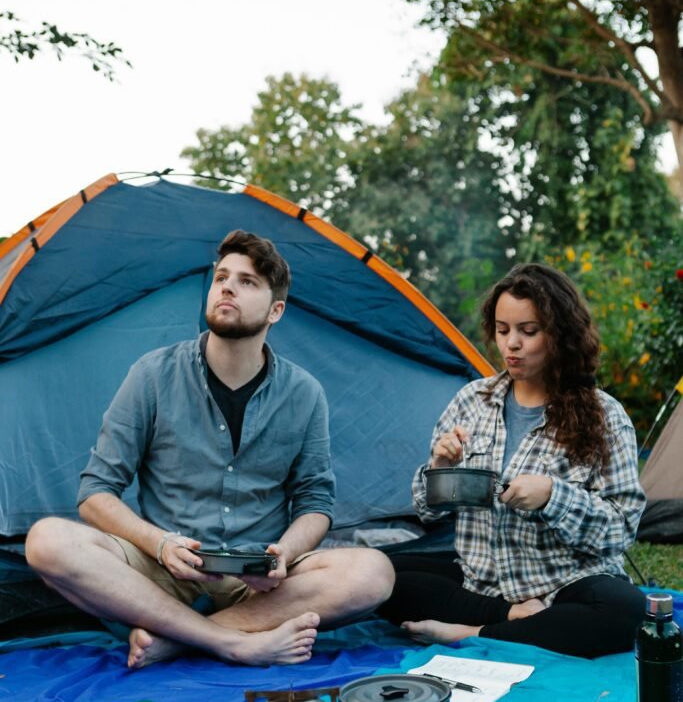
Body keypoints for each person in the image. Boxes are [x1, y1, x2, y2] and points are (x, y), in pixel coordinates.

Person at [26, 230, 394, 669]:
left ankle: (179, 639)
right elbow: (96, 492)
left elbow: (315, 501)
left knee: (374, 573)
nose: (227, 287)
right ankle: (232, 642)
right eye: (222, 277)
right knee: (47, 541)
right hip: (162, 571)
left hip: (258, 583)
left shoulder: (304, 393)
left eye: (247, 281)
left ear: (276, 310)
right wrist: (159, 543)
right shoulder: (153, 374)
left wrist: (285, 554)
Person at [379, 262, 646, 658]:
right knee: (380, 577)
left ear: (560, 335)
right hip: (482, 582)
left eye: (528, 331)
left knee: (624, 610)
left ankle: (471, 632)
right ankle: (508, 619)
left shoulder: (604, 417)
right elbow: (429, 512)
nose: (511, 345)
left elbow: (621, 529)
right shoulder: (473, 400)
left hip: (564, 584)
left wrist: (553, 497)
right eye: (503, 331)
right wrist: (439, 469)